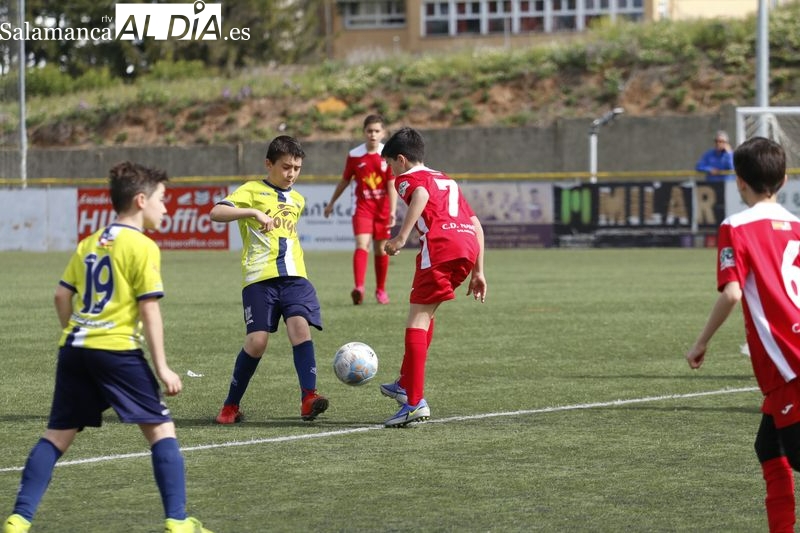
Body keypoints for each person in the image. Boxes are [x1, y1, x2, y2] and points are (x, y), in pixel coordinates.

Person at [3, 162, 213, 533]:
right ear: (141, 200)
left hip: (74, 347)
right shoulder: (142, 246)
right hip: (116, 351)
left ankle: (18, 519)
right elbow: (149, 309)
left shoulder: (89, 242)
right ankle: (179, 522)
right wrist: (162, 367)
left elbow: (60, 295)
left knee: (57, 436)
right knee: (162, 430)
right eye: (163, 200)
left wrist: (77, 330)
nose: (168, 209)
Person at [685, 137, 800, 533]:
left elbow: (733, 292)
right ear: (784, 180)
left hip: (790, 362)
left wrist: (701, 342)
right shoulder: (798, 227)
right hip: (787, 363)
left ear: (738, 182)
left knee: (796, 454)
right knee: (769, 448)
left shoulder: (735, 226)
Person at [212, 135, 328, 425]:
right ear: (269, 164)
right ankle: (230, 407)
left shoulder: (297, 199)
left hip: (295, 277)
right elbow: (216, 212)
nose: (291, 174)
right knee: (257, 342)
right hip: (259, 278)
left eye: (297, 168)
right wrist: (252, 212)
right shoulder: (251, 190)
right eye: (286, 167)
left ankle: (308, 398)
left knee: (300, 329)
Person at [378, 127, 487, 428]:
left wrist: (400, 238)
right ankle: (404, 382)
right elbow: (477, 225)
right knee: (426, 314)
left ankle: (414, 403)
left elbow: (421, 195)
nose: (390, 170)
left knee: (416, 321)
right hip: (466, 248)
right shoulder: (446, 179)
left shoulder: (409, 179)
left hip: (440, 249)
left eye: (390, 164)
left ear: (401, 160)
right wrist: (478, 271)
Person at [323, 114, 397, 305]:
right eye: (369, 131)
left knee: (381, 250)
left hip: (383, 209)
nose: (373, 134)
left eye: (377, 131)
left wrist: (393, 211)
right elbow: (345, 180)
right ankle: (359, 288)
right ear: (364, 132)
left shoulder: (388, 154)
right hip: (362, 208)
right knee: (361, 244)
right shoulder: (355, 155)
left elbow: (391, 184)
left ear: (383, 133)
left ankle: (381, 291)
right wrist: (331, 203)